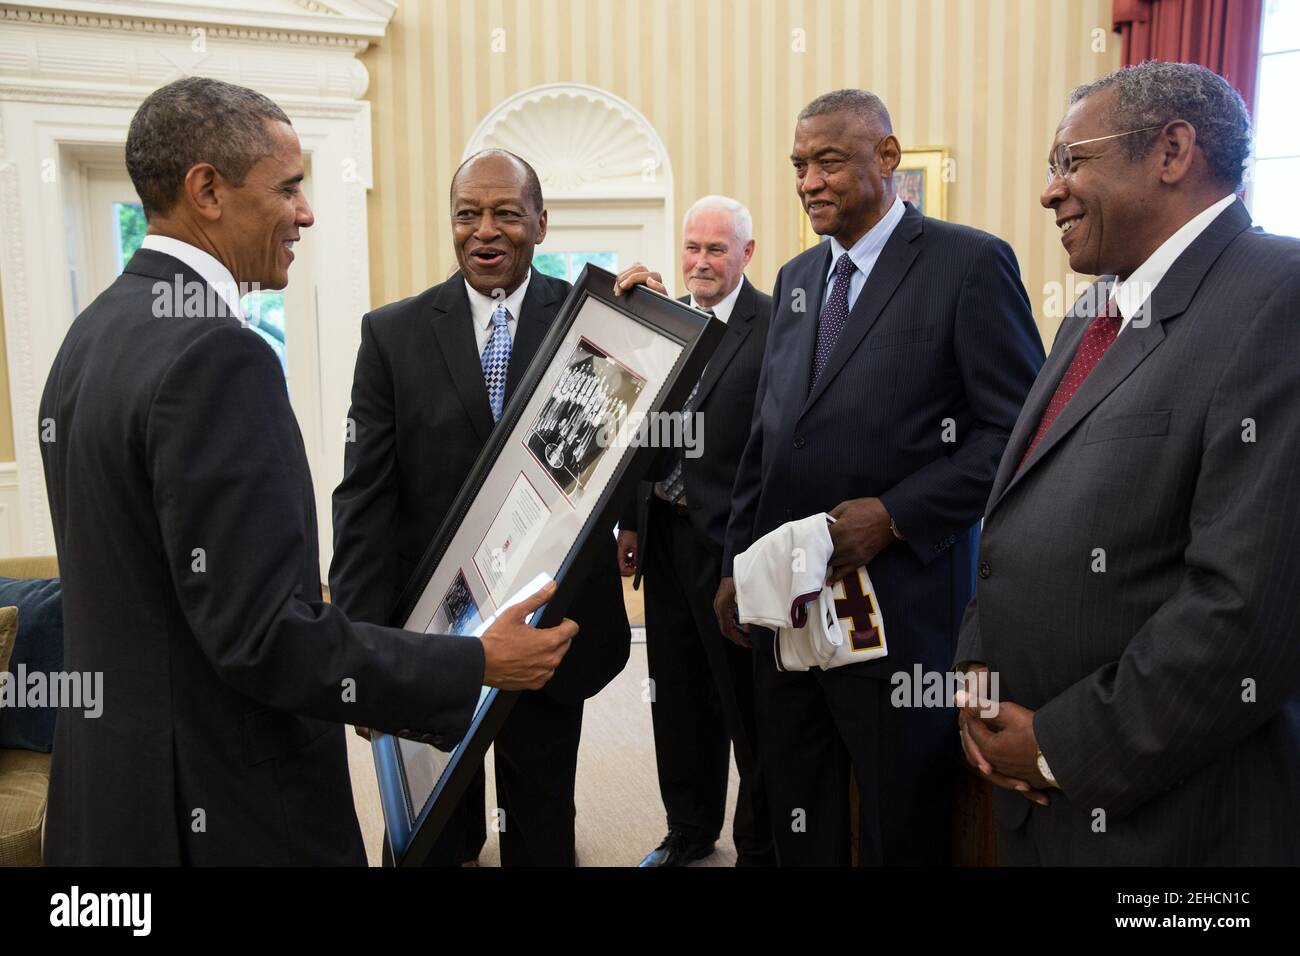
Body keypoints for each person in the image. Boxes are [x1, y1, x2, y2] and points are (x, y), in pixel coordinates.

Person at [37, 77, 575, 866]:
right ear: (207, 191)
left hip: (112, 796)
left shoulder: (95, 329)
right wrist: (475, 661)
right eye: (289, 188)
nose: (306, 211)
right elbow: (265, 637)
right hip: (217, 804)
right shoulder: (217, 356)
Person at [954, 61, 1300, 865]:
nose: (1050, 192)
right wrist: (978, 669)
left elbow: (1248, 608)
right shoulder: (1092, 310)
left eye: (1071, 162)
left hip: (1169, 821)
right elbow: (1016, 509)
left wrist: (1060, 746)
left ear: (1172, 150)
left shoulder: (1278, 297)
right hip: (1040, 804)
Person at [713, 89, 1044, 865]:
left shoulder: (970, 264)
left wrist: (893, 515)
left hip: (903, 613)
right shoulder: (796, 280)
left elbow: (1016, 437)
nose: (809, 182)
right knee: (800, 804)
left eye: (829, 161)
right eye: (799, 165)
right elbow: (768, 438)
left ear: (887, 158)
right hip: (790, 609)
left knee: (904, 818)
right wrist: (739, 561)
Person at [330, 149, 631, 867]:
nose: (484, 230)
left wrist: (652, 331)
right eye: (468, 213)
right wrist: (365, 652)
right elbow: (364, 501)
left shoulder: (600, 327)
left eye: (504, 212)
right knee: (435, 829)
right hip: (436, 630)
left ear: (540, 223)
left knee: (542, 816)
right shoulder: (391, 335)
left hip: (549, 628)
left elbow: (635, 458)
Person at [616, 196, 775, 867]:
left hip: (733, 545)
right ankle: (689, 830)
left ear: (746, 253)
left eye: (716, 249)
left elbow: (776, 448)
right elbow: (627, 421)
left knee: (746, 705)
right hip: (664, 533)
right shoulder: (664, 319)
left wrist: (747, 555)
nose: (701, 261)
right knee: (676, 698)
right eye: (692, 248)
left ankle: (759, 845)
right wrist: (629, 516)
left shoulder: (775, 327)